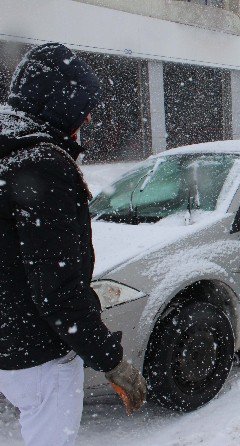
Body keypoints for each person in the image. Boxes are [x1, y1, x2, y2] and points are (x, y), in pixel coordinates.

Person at [0, 43, 147, 446]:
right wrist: (112, 361)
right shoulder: (42, 166)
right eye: (82, 108)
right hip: (40, 356)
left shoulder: (7, 156)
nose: (86, 119)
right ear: (58, 104)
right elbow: (59, 292)